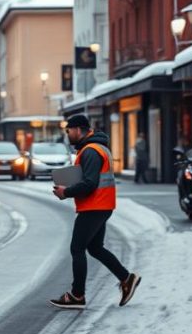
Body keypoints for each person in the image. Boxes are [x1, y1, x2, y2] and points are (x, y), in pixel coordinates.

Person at [50, 114, 141, 310]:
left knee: (77, 248)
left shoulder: (90, 151)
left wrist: (66, 191)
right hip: (102, 205)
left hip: (94, 206)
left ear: (78, 129)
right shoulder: (98, 148)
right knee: (95, 248)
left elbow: (90, 183)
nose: (68, 135)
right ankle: (127, 278)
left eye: (69, 131)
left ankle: (77, 295)